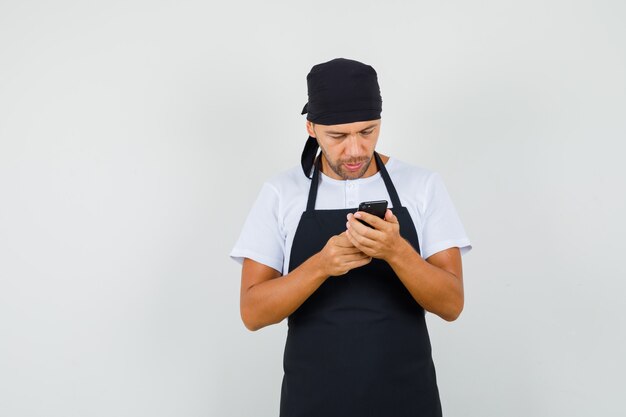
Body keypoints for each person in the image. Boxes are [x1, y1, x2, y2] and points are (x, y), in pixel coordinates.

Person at [230, 58, 472, 417]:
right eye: (338, 136)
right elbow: (253, 313)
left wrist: (396, 252)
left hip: (407, 399)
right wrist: (321, 265)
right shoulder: (282, 193)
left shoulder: (421, 186)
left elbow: (451, 305)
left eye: (367, 131)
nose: (356, 149)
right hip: (311, 402)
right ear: (311, 128)